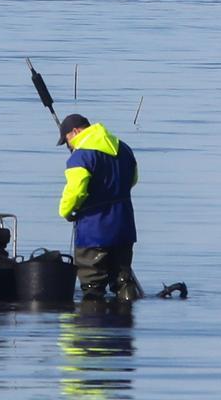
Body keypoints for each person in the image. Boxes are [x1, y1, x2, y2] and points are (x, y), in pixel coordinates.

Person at [58, 113, 140, 301]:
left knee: (92, 283)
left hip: (94, 231)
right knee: (123, 280)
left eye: (67, 140)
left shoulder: (80, 157)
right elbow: (133, 179)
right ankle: (124, 323)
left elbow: (75, 192)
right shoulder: (124, 149)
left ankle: (92, 323)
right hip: (124, 226)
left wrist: (65, 211)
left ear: (76, 131)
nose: (68, 145)